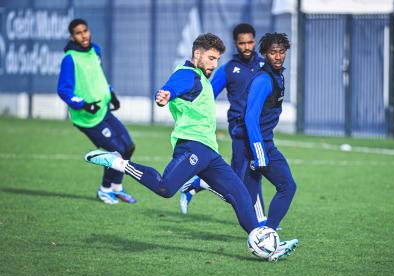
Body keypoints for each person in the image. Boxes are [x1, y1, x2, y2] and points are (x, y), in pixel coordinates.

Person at [83, 33, 298, 261]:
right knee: (165, 188)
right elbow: (172, 87)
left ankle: (268, 246)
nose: (215, 65)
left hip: (209, 153)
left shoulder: (203, 79)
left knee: (240, 195)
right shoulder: (189, 75)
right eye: (211, 58)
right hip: (192, 147)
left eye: (217, 60)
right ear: (198, 54)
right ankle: (118, 162)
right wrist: (165, 94)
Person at [179, 23, 267, 226]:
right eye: (242, 43)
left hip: (259, 130)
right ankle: (261, 222)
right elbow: (206, 93)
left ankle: (197, 183)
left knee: (244, 177)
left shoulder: (264, 66)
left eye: (250, 42)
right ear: (236, 44)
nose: (247, 46)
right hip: (239, 129)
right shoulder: (229, 69)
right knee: (242, 181)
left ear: (255, 41)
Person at [57, 18, 137, 205]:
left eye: (85, 30)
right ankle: (104, 190)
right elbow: (64, 90)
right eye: (78, 32)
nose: (83, 35)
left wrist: (111, 94)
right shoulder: (70, 59)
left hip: (103, 111)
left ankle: (117, 188)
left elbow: (97, 77)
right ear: (72, 36)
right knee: (116, 151)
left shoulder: (95, 50)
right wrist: (83, 104)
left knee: (129, 147)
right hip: (87, 117)